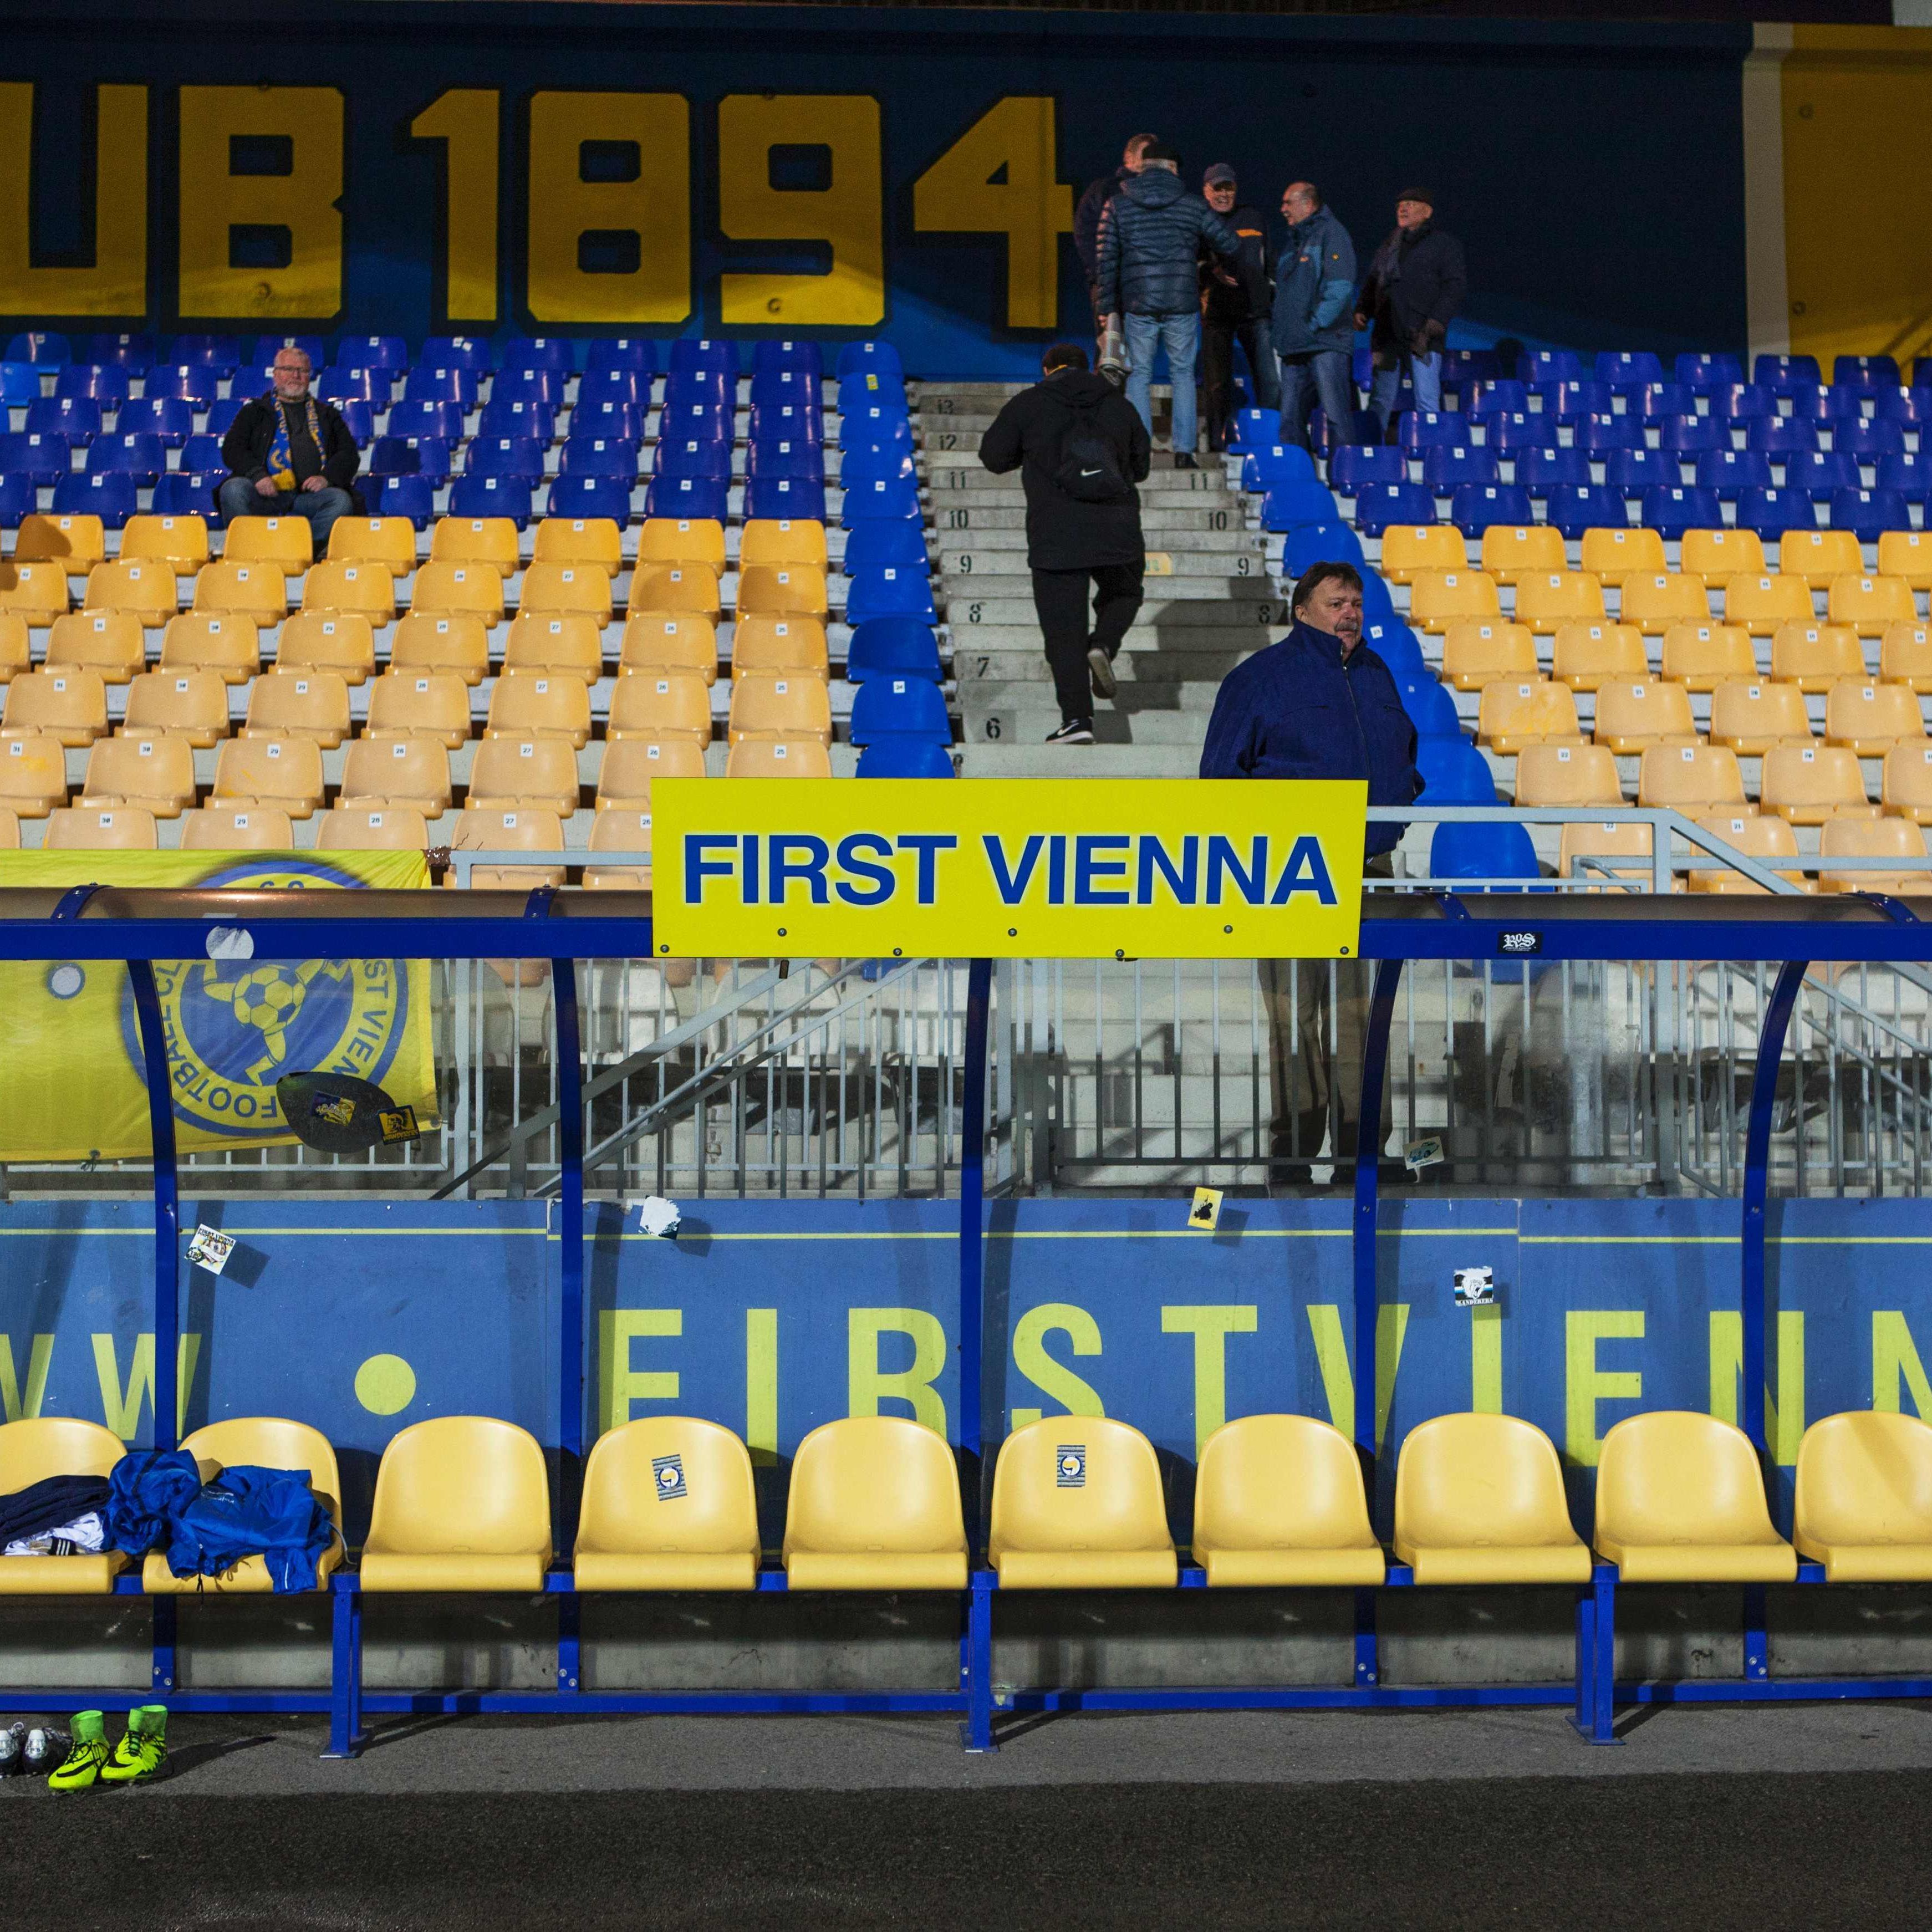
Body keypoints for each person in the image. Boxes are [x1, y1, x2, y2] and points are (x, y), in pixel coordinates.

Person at [1198, 562, 1421, 1187]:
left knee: (1357, 1014)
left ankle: (1360, 1154)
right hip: (1289, 871)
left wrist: (1401, 804)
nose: (1348, 612)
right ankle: (1292, 1152)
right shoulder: (1259, 678)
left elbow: (1402, 752)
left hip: (1363, 868)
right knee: (1295, 1014)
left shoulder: (1376, 673)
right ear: (1300, 611)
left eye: (1354, 602)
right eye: (1334, 603)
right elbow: (1220, 775)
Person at [979, 342, 1151, 746]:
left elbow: (993, 457)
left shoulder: (1028, 404)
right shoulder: (1118, 405)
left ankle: (1077, 720)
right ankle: (1104, 643)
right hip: (1118, 527)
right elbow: (1140, 467)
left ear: (1046, 369)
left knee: (1062, 632)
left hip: (1056, 531)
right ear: (1086, 367)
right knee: (1125, 591)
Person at [1094, 142, 1242, 469]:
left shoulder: (1117, 205)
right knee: (1183, 376)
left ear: (1142, 168)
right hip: (1182, 302)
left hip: (1138, 303)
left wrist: (1106, 308)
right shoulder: (1191, 205)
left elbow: (1105, 261)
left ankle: (1140, 453)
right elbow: (1230, 243)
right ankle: (1184, 452)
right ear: (1173, 170)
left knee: (1139, 376)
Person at [217, 347, 361, 550]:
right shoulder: (255, 412)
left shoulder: (328, 415)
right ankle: (249, 550)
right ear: (276, 375)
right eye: (288, 369)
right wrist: (257, 475)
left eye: (302, 371)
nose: (296, 376)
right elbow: (232, 449)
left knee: (340, 502)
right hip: (265, 494)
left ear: (309, 377)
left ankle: (295, 549)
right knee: (233, 490)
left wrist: (326, 478)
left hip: (308, 498)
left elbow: (349, 455)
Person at [1356, 188, 1467, 434]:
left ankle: (1431, 454)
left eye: (1410, 204)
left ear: (1427, 212)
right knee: (1380, 400)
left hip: (1423, 335)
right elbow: (1374, 281)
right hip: (1387, 335)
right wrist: (1362, 309)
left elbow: (1455, 287)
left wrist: (1435, 322)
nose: (1403, 208)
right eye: (1400, 205)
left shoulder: (1444, 244)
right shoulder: (1389, 244)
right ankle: (1373, 452)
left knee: (1427, 401)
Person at [1271, 181, 1358, 452]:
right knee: (1289, 420)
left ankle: (1346, 481)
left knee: (1336, 417)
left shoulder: (1332, 233)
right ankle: (1299, 481)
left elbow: (1340, 287)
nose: (1282, 209)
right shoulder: (1293, 242)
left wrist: (1314, 325)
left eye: (1288, 203)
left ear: (1308, 204)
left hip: (1325, 342)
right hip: (1295, 345)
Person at [1197, 164, 1277, 451]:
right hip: (1216, 313)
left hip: (1255, 311)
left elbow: (1270, 261)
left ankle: (1272, 441)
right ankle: (1219, 444)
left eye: (1228, 188)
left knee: (1269, 381)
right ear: (1206, 191)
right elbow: (1189, 265)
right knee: (1218, 384)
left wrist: (1271, 291)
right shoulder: (1198, 221)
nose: (1224, 194)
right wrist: (1211, 272)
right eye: (1217, 188)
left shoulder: (1253, 217)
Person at [1073, 134, 1157, 340]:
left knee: (1142, 351)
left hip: (1148, 287)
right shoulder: (1104, 190)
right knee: (1110, 350)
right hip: (1111, 287)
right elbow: (1085, 235)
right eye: (1145, 155)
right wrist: (1103, 276)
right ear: (1128, 157)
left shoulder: (1160, 193)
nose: (1150, 160)